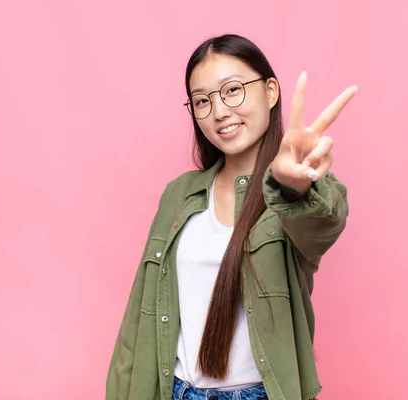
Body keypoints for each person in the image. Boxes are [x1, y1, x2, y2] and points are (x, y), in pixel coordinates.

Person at [105, 33, 357, 400]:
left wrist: (291, 184)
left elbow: (322, 223)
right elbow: (138, 320)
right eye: (202, 101)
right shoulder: (179, 194)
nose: (220, 111)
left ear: (270, 91)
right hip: (176, 392)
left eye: (233, 90)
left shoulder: (293, 195)